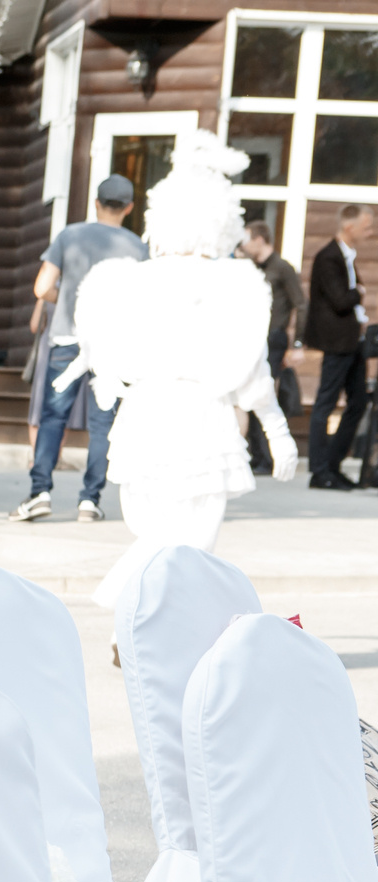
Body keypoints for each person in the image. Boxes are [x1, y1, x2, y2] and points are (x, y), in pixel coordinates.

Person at [63, 138, 295, 587]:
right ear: (223, 221)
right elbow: (251, 367)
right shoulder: (232, 282)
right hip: (199, 416)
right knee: (193, 535)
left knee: (152, 528)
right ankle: (131, 604)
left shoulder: (128, 279)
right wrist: (277, 431)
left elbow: (104, 355)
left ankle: (138, 615)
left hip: (142, 415)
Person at [11, 175, 148, 524]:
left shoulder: (69, 236)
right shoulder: (138, 248)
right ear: (129, 208)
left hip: (67, 339)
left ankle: (39, 492)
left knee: (53, 417)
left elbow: (42, 288)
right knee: (102, 424)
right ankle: (90, 500)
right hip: (112, 346)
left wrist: (71, 300)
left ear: (95, 203)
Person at [304, 203, 375, 488]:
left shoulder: (347, 257)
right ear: (350, 226)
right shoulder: (328, 257)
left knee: (358, 401)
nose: (370, 232)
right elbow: (340, 300)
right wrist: (358, 292)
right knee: (326, 403)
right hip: (336, 343)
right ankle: (319, 472)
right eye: (367, 226)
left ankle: (333, 466)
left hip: (353, 341)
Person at [241, 219, 306, 475]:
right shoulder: (249, 268)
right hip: (253, 337)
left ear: (259, 239)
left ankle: (266, 458)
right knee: (247, 393)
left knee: (264, 391)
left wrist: (298, 343)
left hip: (275, 337)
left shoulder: (282, 268)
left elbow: (301, 304)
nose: (243, 246)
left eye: (247, 240)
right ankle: (257, 455)